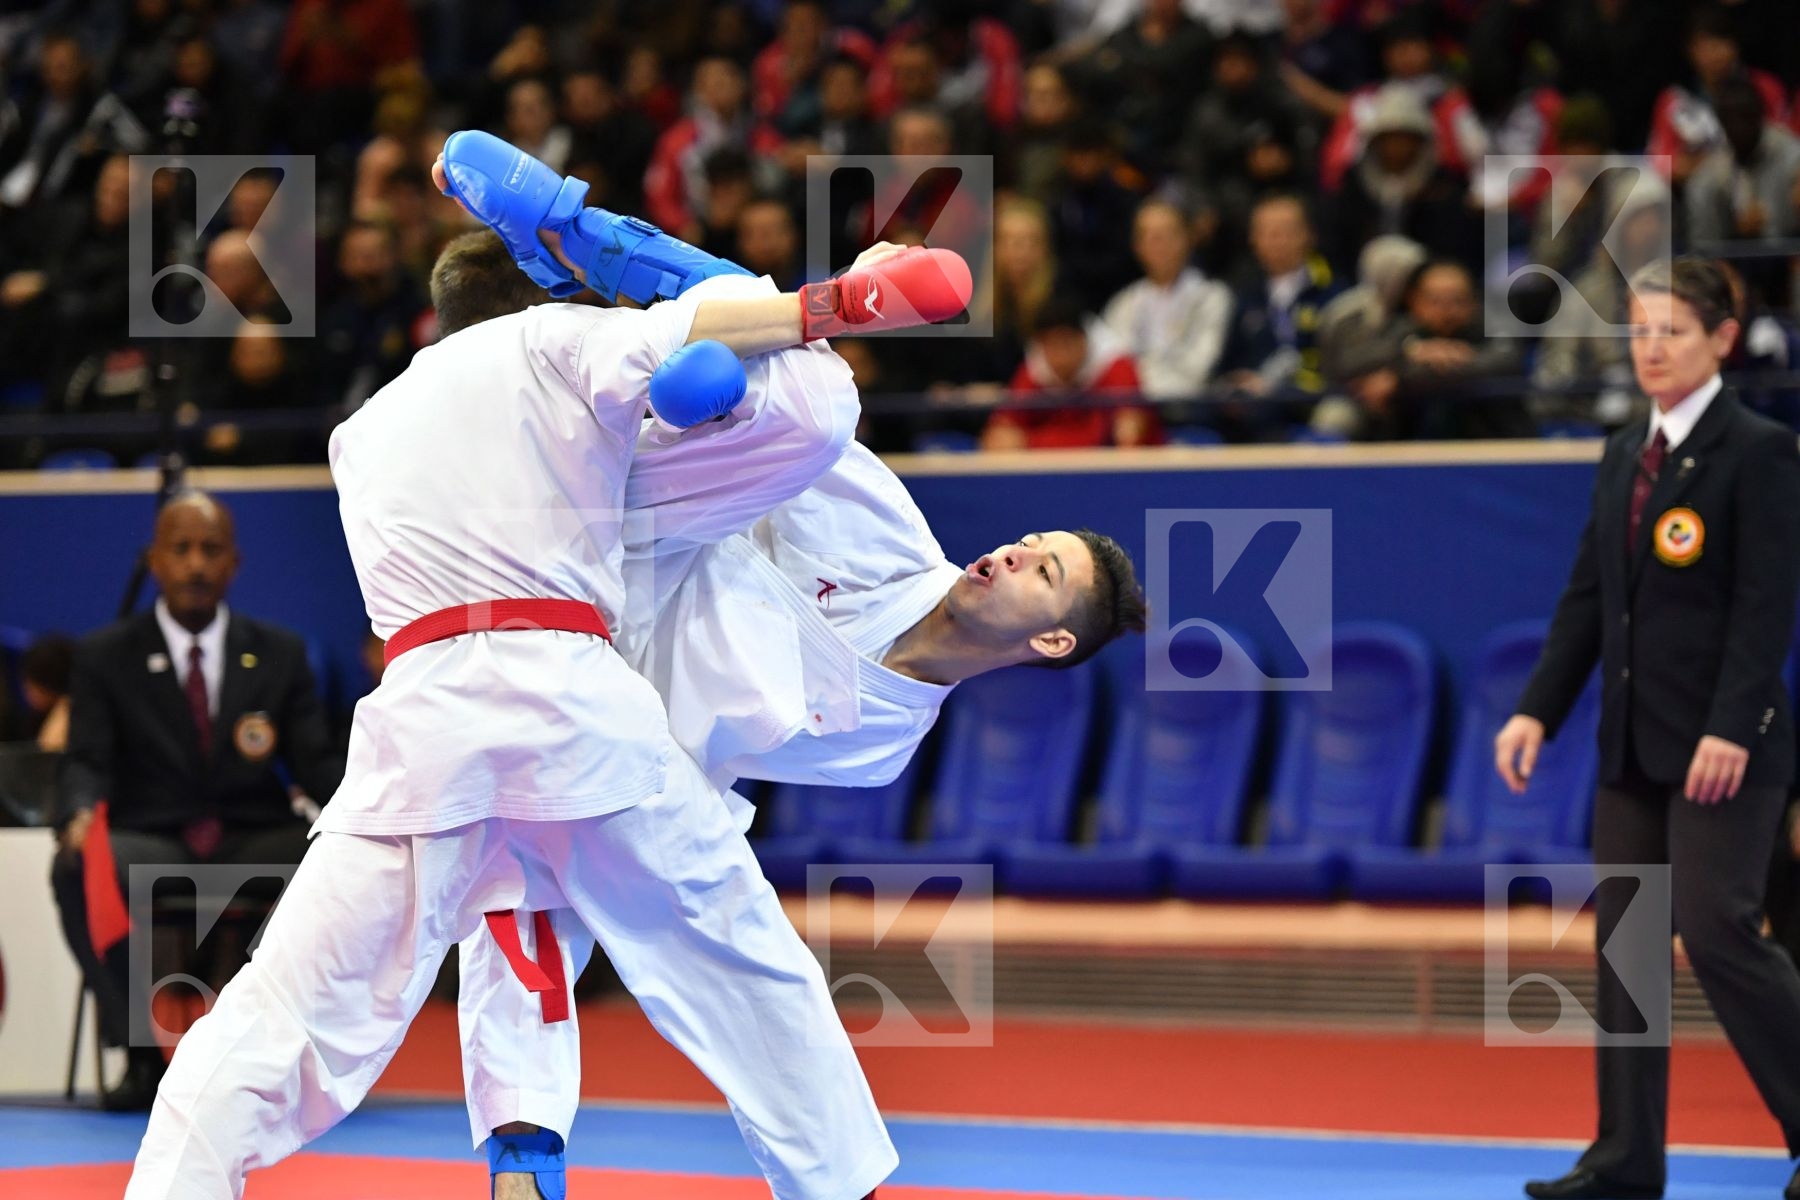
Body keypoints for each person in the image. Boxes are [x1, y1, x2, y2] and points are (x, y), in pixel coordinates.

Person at [123, 130, 970, 1200]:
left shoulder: (360, 431)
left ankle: (182, 1188)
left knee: (283, 1012)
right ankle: (839, 1186)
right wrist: (823, 310)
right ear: (536, 292)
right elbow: (689, 335)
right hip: (574, 698)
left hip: (424, 720)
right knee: (742, 966)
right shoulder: (555, 340)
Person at [462, 412, 1148, 1200]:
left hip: (651, 764)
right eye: (1034, 541)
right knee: (517, 899)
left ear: (1053, 642)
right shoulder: (886, 531)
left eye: (1046, 573)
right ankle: (523, 1166)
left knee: (766, 979)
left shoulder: (882, 746)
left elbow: (711, 733)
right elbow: (800, 422)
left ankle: (834, 1188)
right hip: (587, 597)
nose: (1019, 552)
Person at [1495, 257, 1800, 1200]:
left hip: (1725, 746)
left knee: (1717, 931)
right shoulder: (1625, 452)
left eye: (1672, 329)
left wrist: (1733, 728)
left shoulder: (1760, 450)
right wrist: (1537, 707)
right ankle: (1626, 1157)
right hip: (1631, 743)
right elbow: (1589, 599)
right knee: (1626, 944)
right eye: (1639, 329)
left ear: (1720, 338)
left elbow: (1766, 607)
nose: (1652, 346)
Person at [54, 491, 343, 1112]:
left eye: (210, 550)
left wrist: (361, 815)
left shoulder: (279, 652)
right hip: (151, 832)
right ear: (154, 561)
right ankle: (135, 1051)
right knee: (80, 864)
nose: (195, 565)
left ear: (234, 564)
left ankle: (264, 1050)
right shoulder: (106, 655)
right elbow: (87, 759)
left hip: (249, 832)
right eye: (180, 549)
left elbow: (316, 763)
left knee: (332, 859)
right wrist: (79, 813)